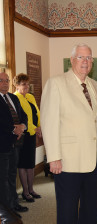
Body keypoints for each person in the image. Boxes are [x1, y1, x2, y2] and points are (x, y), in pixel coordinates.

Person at [40, 43, 97, 224]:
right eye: (81, 57)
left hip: (94, 161)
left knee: (91, 208)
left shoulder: (96, 86)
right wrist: (53, 156)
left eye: (89, 58)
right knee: (67, 209)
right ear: (72, 60)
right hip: (68, 161)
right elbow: (49, 122)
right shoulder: (56, 83)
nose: (85, 61)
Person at [0, 72, 28, 218]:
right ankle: (6, 212)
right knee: (2, 179)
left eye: (7, 80)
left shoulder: (13, 98)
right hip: (2, 145)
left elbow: (24, 115)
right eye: (1, 81)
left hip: (16, 143)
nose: (5, 83)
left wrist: (22, 126)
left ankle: (14, 204)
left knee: (12, 175)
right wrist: (13, 128)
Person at [13, 73, 42, 203]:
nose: (26, 86)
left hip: (32, 135)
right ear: (17, 85)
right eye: (23, 84)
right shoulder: (15, 98)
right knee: (23, 165)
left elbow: (37, 113)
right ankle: (25, 191)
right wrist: (34, 129)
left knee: (30, 164)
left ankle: (31, 189)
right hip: (23, 135)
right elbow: (22, 118)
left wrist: (40, 127)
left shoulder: (30, 96)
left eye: (27, 83)